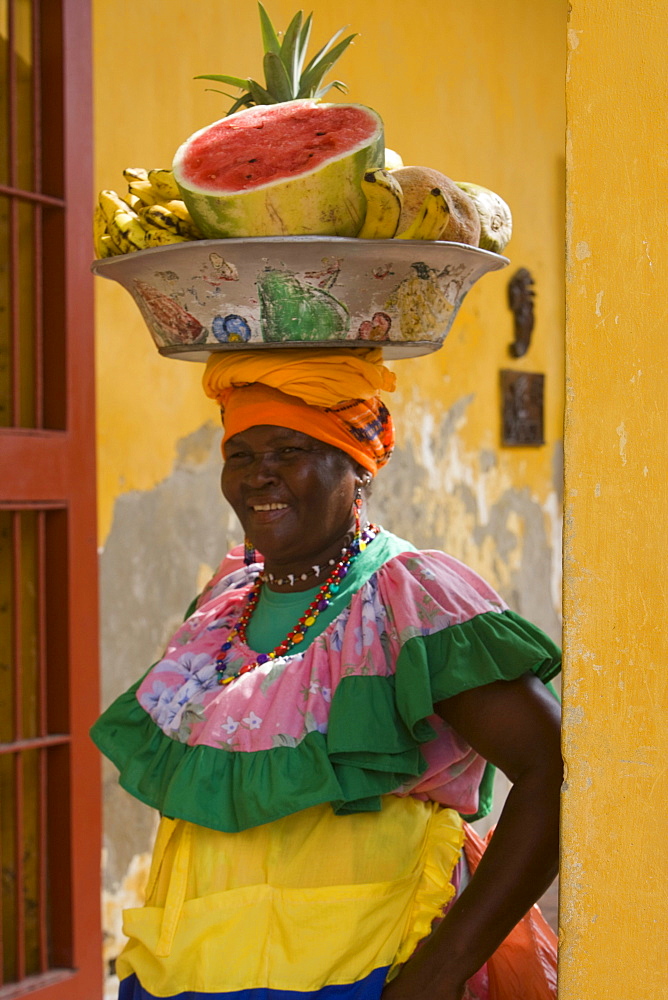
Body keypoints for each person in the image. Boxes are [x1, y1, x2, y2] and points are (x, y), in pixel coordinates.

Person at [92, 346, 562, 1000]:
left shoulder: (411, 602)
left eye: (289, 451)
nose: (260, 476)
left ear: (359, 467)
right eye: (242, 455)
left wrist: (440, 970)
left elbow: (552, 769)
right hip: (195, 972)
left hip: (372, 967)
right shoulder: (222, 604)